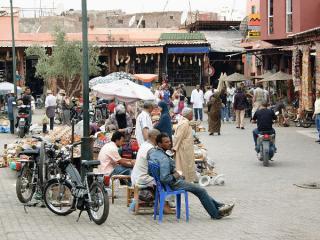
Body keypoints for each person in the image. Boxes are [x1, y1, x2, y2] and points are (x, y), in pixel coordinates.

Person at [148, 133, 235, 219]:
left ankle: (220, 206)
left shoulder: (153, 153)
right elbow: (165, 178)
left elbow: (150, 172)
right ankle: (216, 214)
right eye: (166, 142)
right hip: (172, 184)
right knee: (201, 190)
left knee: (199, 190)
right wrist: (176, 174)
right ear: (159, 144)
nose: (169, 143)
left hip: (164, 184)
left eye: (169, 141)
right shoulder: (163, 159)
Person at [172, 108, 196, 182]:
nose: (193, 115)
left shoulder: (185, 122)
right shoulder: (184, 123)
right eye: (192, 114)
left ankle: (187, 180)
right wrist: (174, 148)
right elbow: (178, 137)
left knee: (186, 164)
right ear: (188, 115)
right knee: (184, 164)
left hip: (186, 147)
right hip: (183, 148)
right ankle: (185, 180)